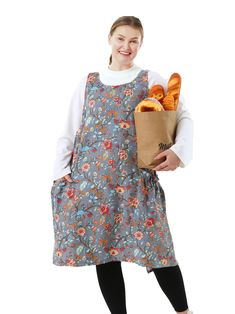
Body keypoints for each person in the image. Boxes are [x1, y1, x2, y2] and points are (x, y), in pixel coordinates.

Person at [51, 16, 194, 314]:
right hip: (92, 185)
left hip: (135, 184)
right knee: (105, 253)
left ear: (140, 44)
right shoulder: (88, 82)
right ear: (110, 39)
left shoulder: (149, 78)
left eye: (134, 41)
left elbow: (182, 116)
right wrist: (61, 175)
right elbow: (69, 131)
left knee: (159, 250)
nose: (126, 46)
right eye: (121, 38)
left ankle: (184, 312)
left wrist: (179, 153)